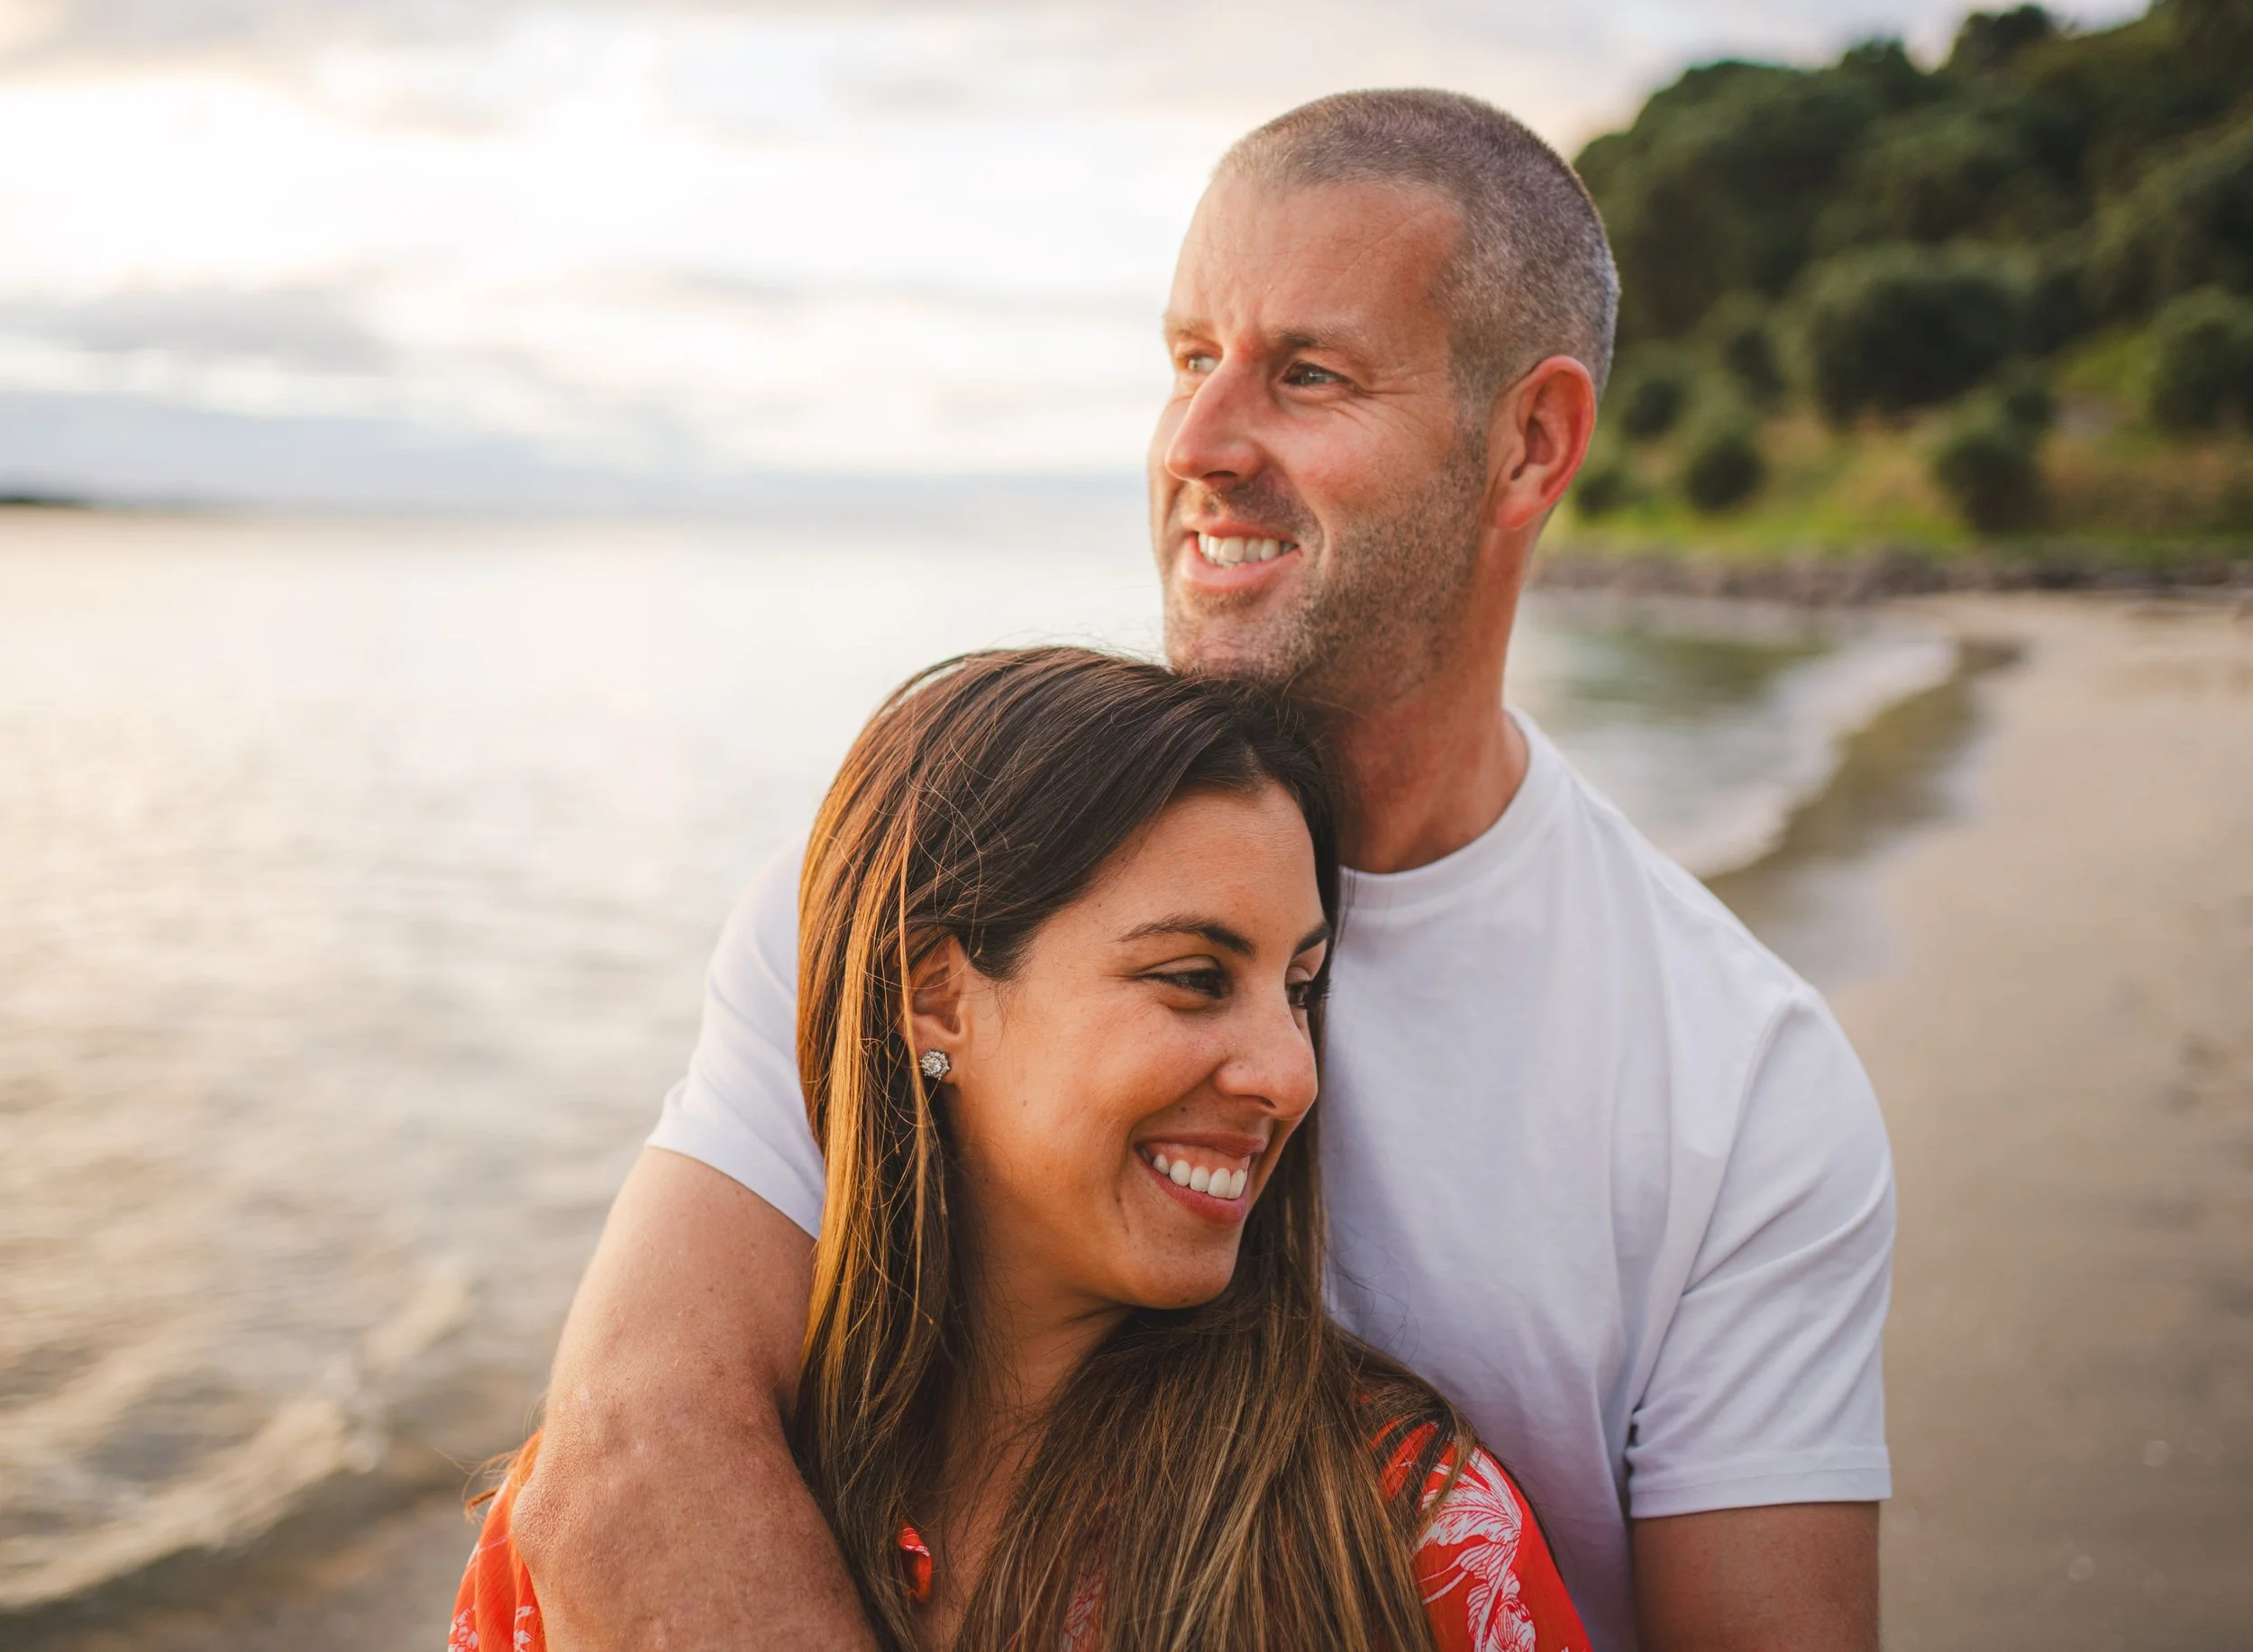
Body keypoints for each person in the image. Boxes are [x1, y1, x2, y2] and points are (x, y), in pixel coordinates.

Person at [507, 89, 1893, 1652]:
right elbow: (627, 1454)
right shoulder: (911, 886)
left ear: (1530, 442)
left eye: (1306, 374)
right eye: (1187, 360)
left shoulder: (1744, 1087)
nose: (1199, 444)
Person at [455, 649, 1590, 1650]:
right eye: (1193, 979)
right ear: (936, 995)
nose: (1290, 1074)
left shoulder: (1412, 1540)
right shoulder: (621, 1529)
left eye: (1298, 990)